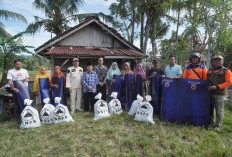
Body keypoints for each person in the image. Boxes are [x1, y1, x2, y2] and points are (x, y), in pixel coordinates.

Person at [207, 55, 232, 131]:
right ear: (213, 61)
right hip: (210, 93)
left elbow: (229, 82)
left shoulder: (226, 71)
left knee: (219, 110)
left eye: (219, 60)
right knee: (210, 109)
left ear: (222, 61)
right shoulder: (210, 70)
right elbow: (206, 79)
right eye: (215, 60)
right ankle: (210, 122)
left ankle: (218, 125)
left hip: (220, 94)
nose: (217, 61)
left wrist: (217, 87)